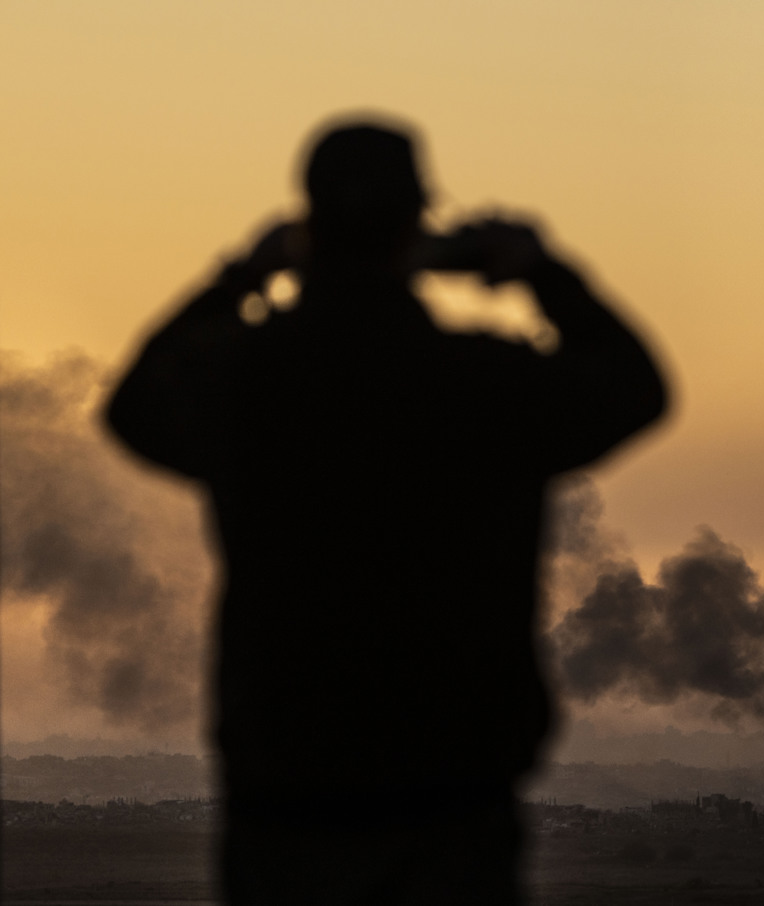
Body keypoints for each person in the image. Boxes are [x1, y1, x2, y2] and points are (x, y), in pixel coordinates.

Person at [105, 118, 668, 903]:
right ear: (417, 224)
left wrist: (238, 277)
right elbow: (636, 386)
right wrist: (539, 271)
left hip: (287, 810)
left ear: (308, 228)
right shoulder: (482, 387)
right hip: (449, 814)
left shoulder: (250, 386)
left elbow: (133, 406)